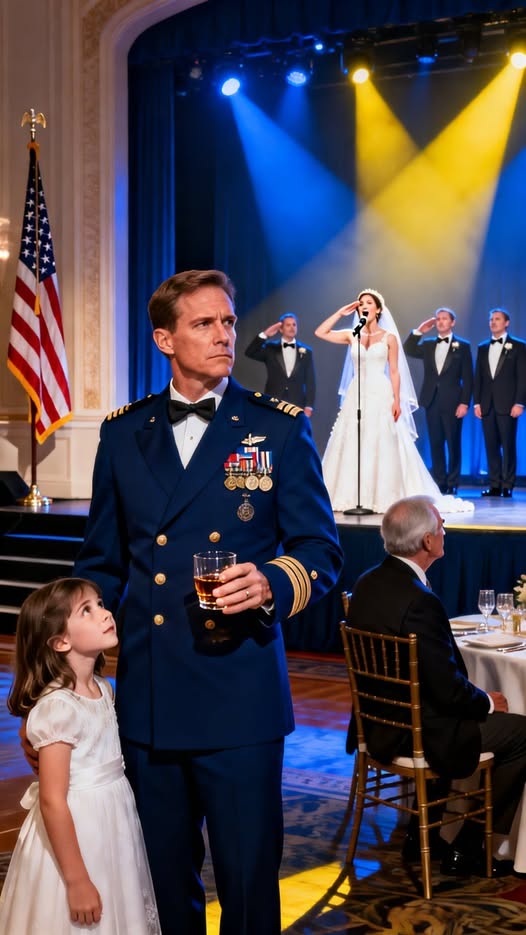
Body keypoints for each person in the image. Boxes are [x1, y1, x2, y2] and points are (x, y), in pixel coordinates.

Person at [65, 269, 342, 935]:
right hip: (151, 695)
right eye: (204, 323)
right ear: (165, 339)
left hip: (239, 691)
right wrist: (71, 663)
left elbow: (321, 550)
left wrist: (272, 581)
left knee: (248, 887)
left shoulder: (277, 428)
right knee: (163, 882)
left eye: (228, 321)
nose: (224, 336)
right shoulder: (123, 433)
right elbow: (101, 563)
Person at [346, 495, 526, 877]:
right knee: (522, 735)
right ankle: (471, 846)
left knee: (445, 709)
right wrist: (487, 702)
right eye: (441, 526)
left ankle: (420, 834)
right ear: (427, 541)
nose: (445, 531)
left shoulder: (366, 582)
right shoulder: (419, 601)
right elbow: (447, 691)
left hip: (376, 722)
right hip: (414, 733)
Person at [0, 578, 160, 934]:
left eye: (100, 603)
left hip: (112, 823)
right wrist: (76, 880)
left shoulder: (102, 688)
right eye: (86, 610)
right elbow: (52, 800)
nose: (105, 613)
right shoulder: (59, 708)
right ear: (61, 642)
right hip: (78, 830)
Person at [314, 289, 473, 514]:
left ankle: (383, 494)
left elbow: (395, 371)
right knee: (353, 439)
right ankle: (351, 494)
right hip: (356, 394)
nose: (364, 306)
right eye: (361, 303)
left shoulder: (389, 337)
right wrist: (341, 313)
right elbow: (320, 332)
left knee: (382, 440)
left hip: (380, 392)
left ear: (378, 309)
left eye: (369, 303)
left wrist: (397, 400)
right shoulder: (353, 334)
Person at [403, 307, 473, 495]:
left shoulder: (463, 346)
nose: (440, 321)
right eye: (438, 319)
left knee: (453, 443)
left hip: (453, 402)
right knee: (436, 443)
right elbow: (408, 349)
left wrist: (464, 403)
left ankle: (453, 481)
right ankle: (440, 481)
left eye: (444, 318)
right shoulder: (428, 345)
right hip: (432, 400)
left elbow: (468, 378)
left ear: (452, 322)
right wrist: (419, 331)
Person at [473, 307, 526, 497]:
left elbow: (522, 377)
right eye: (491, 319)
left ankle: (508, 484)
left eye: (497, 319)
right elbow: (478, 377)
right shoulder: (483, 347)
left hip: (508, 404)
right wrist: (477, 403)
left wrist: (519, 402)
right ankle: (495, 484)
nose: (493, 322)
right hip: (487, 404)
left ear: (506, 323)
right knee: (491, 446)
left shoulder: (518, 346)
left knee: (508, 445)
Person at [245, 312, 316, 415]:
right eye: (288, 325)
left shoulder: (306, 352)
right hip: (273, 399)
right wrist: (265, 335)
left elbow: (310, 380)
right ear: (281, 329)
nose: (292, 328)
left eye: (294, 325)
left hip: (297, 403)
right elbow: (250, 352)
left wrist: (309, 406)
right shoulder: (271, 348)